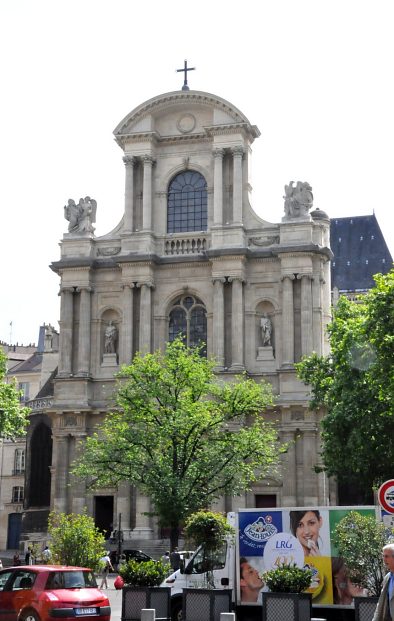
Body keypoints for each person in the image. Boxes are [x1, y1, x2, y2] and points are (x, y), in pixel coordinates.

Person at [372, 543, 394, 621]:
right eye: (383, 556)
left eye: (387, 556)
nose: (384, 559)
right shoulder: (387, 577)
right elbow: (381, 603)